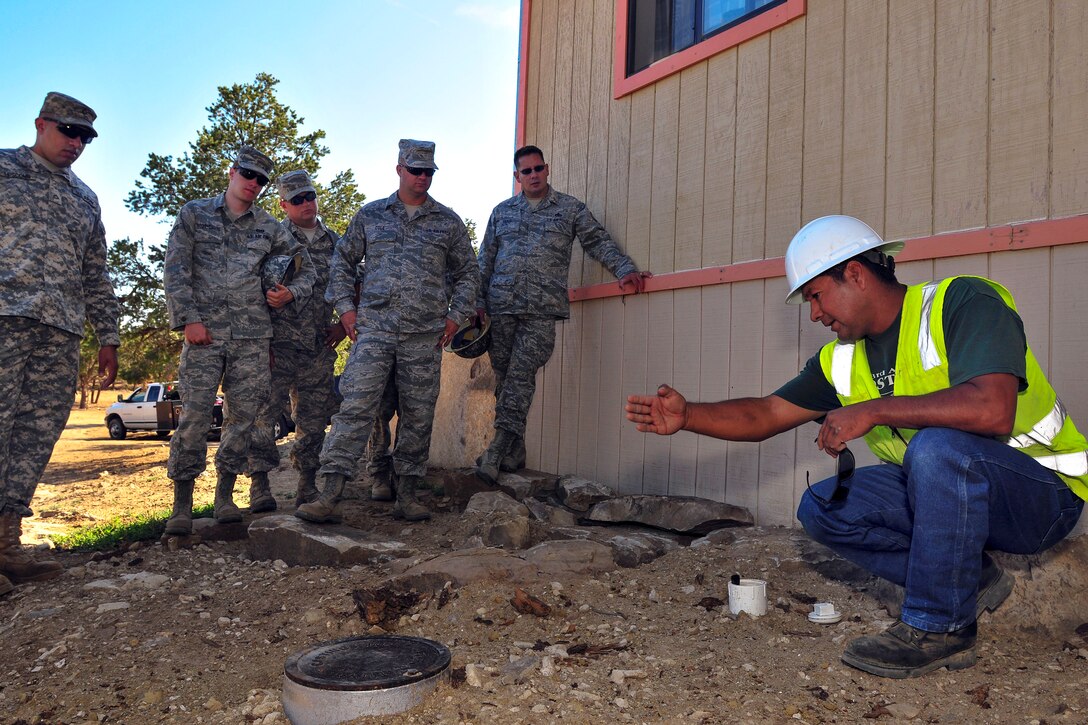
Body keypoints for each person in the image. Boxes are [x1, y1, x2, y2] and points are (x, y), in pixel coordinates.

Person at [626, 215, 1088, 678]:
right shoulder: (843, 359)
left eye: (815, 295)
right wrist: (689, 417)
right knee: (824, 506)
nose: (814, 314)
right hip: (954, 488)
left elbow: (992, 410)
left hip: (1041, 496)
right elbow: (765, 413)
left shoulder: (961, 302)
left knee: (936, 448)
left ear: (855, 273)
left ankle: (941, 628)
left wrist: (873, 411)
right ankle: (969, 578)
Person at [295, 139, 479, 524]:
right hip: (374, 332)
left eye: (428, 171)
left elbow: (468, 274)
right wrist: (346, 310)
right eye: (415, 170)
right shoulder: (372, 215)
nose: (422, 177)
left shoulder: (447, 222)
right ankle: (329, 492)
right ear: (399, 169)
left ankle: (408, 494)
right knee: (355, 408)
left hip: (423, 336)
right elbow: (342, 262)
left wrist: (455, 316)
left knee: (418, 414)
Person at [0, 92, 120, 589]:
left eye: (84, 137)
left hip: (61, 332)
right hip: (5, 318)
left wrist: (108, 335)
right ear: (40, 124)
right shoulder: (4, 169)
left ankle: (7, 543)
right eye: (67, 131)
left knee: (33, 436)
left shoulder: (84, 198)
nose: (75, 143)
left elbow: (96, 272)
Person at [163, 146, 315, 535]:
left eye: (261, 180)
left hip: (252, 338)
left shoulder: (269, 226)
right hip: (204, 335)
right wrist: (189, 320)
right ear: (231, 172)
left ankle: (225, 496)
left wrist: (290, 293)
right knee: (195, 417)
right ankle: (182, 505)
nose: (253, 184)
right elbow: (176, 270)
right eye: (248, 174)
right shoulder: (194, 213)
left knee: (241, 421)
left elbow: (305, 266)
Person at [475, 144, 648, 483]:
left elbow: (596, 241)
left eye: (538, 168)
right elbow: (485, 261)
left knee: (521, 375)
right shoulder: (502, 212)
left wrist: (624, 268)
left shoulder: (568, 209)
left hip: (541, 310)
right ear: (517, 176)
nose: (534, 175)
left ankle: (495, 450)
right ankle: (515, 450)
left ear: (547, 169)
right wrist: (476, 304)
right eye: (526, 171)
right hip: (501, 308)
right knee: (506, 378)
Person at [246, 170, 343, 511]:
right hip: (277, 346)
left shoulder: (337, 243)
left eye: (310, 196)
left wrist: (343, 328)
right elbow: (252, 289)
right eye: (298, 199)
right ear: (283, 204)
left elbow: (351, 287)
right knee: (263, 416)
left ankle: (307, 485)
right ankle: (259, 486)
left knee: (314, 422)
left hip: (318, 347)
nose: (307, 204)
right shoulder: (271, 239)